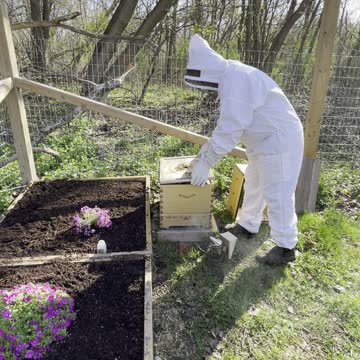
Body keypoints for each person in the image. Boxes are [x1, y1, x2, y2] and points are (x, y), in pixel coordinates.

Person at [184, 34, 304, 265]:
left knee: (278, 193)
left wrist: (207, 161)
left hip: (280, 140)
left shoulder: (236, 81)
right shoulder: (233, 76)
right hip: (264, 141)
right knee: (254, 183)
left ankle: (286, 246)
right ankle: (248, 225)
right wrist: (202, 157)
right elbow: (227, 127)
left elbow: (229, 129)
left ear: (205, 71)